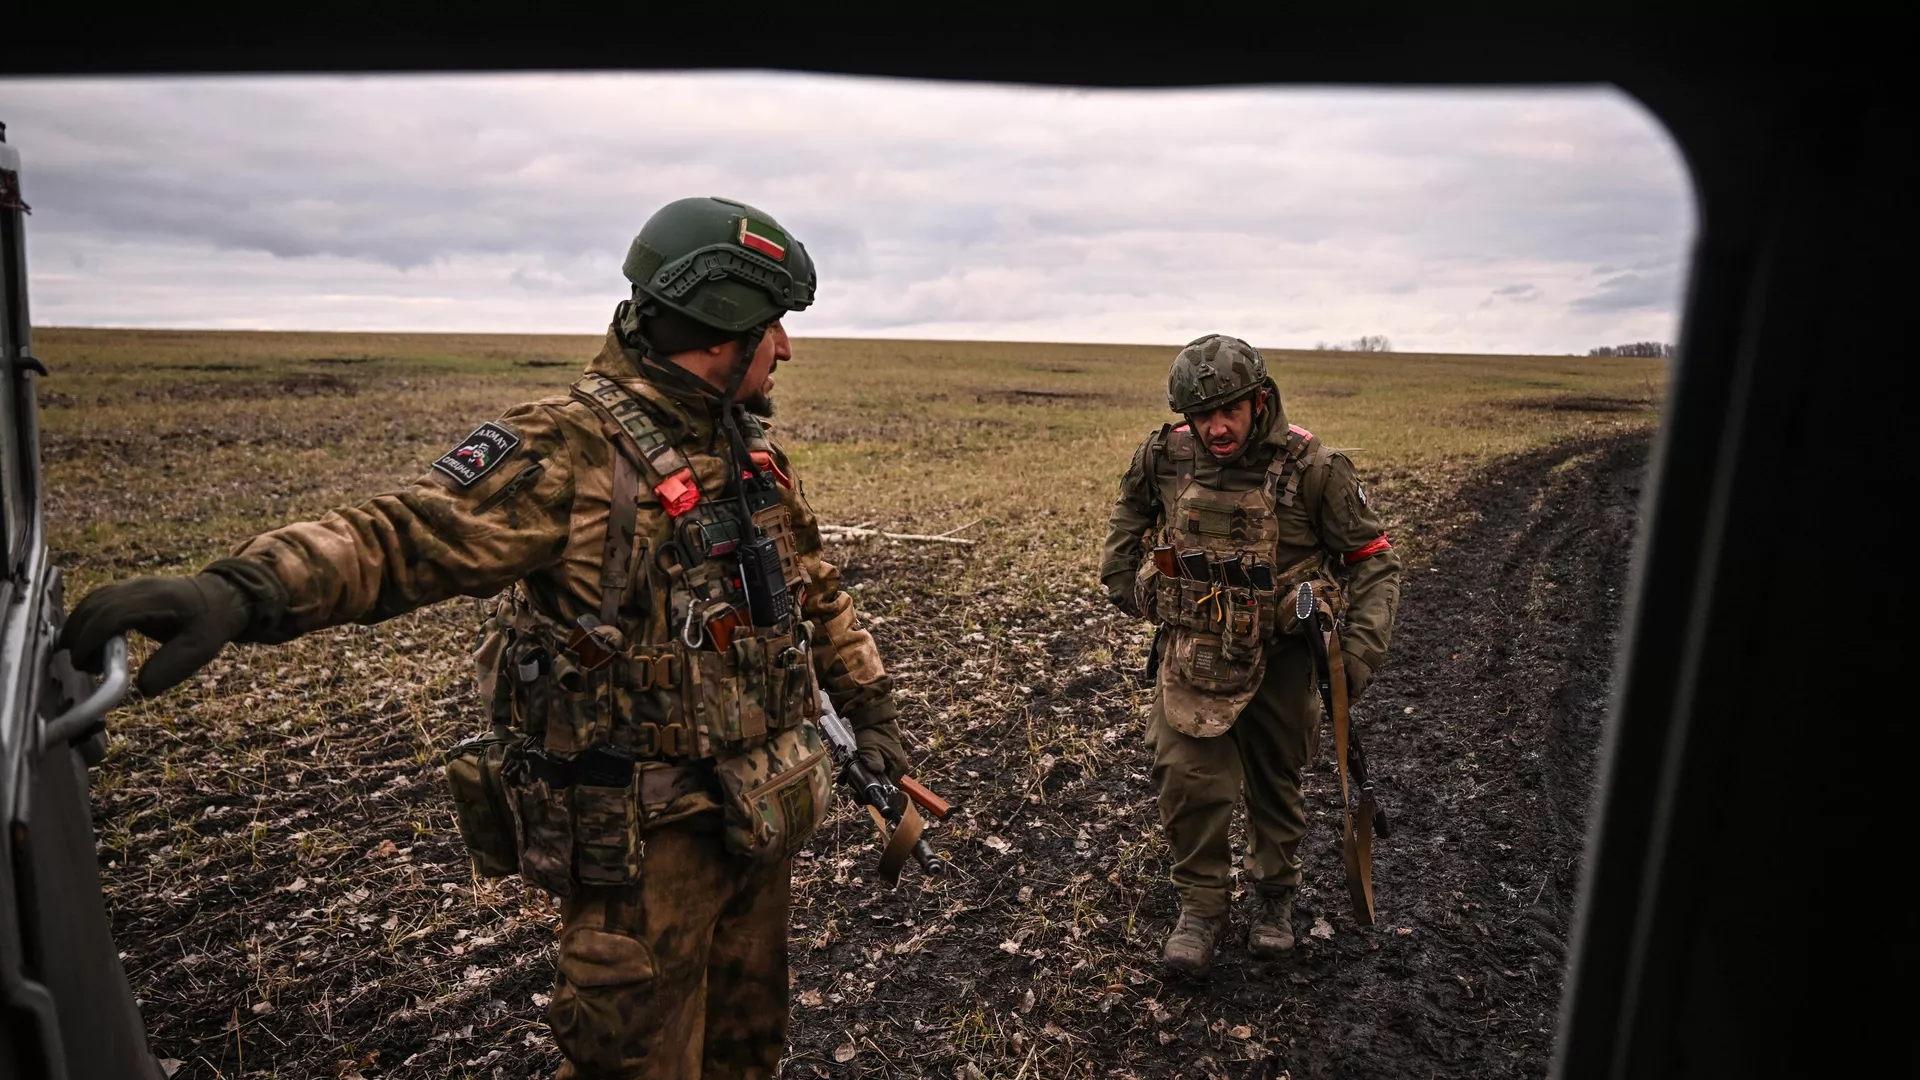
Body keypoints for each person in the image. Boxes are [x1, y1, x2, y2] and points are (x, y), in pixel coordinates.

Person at [59, 197, 909, 1079]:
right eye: (773, 326)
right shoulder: (573, 449)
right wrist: (243, 591)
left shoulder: (749, 455)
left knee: (747, 1053)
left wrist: (870, 706)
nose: (787, 349)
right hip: (644, 854)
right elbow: (405, 536)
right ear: (724, 327)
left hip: (758, 824)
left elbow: (815, 593)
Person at [1100, 334, 1403, 975]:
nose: (1215, 428)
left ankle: (1274, 901)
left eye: (1228, 411)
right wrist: (1135, 587)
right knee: (1188, 779)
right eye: (1200, 416)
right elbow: (1127, 522)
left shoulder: (1315, 469)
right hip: (1195, 655)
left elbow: (1374, 562)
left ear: (1258, 399)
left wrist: (1356, 657)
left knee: (1276, 786)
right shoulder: (1163, 457)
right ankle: (1202, 910)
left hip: (1284, 659)